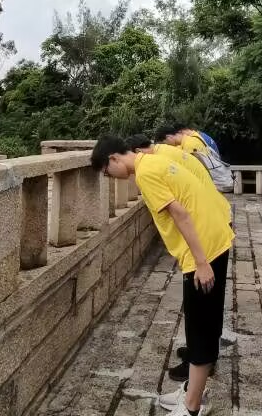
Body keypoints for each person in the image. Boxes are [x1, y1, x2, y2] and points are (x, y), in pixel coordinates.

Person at [92, 136, 234, 416]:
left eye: (107, 172)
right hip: (215, 238)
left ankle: (192, 408)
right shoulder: (154, 161)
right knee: (206, 324)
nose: (110, 178)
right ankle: (194, 391)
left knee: (200, 329)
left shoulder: (145, 173)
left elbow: (180, 214)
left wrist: (200, 262)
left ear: (113, 158)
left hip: (204, 251)